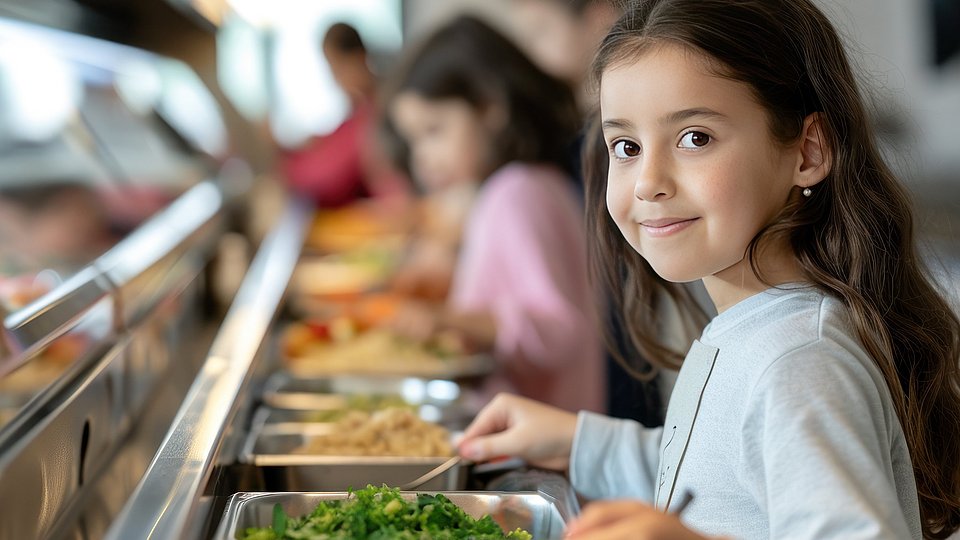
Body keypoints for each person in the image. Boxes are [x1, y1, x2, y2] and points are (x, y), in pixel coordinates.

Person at [457, 0, 960, 538]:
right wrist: (579, 443)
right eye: (626, 146)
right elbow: (717, 474)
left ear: (808, 151)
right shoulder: (756, 330)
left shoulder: (799, 363)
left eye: (694, 138)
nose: (649, 181)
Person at [380, 15, 605, 414]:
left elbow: (560, 330)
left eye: (435, 129)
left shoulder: (517, 193)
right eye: (414, 139)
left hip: (540, 449)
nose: (422, 157)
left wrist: (454, 321)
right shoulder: (516, 188)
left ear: (490, 108)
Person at [279, 22, 408, 208]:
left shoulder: (377, 111)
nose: (335, 79)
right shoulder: (360, 109)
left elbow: (330, 176)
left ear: (359, 58)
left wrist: (286, 165)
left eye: (337, 68)